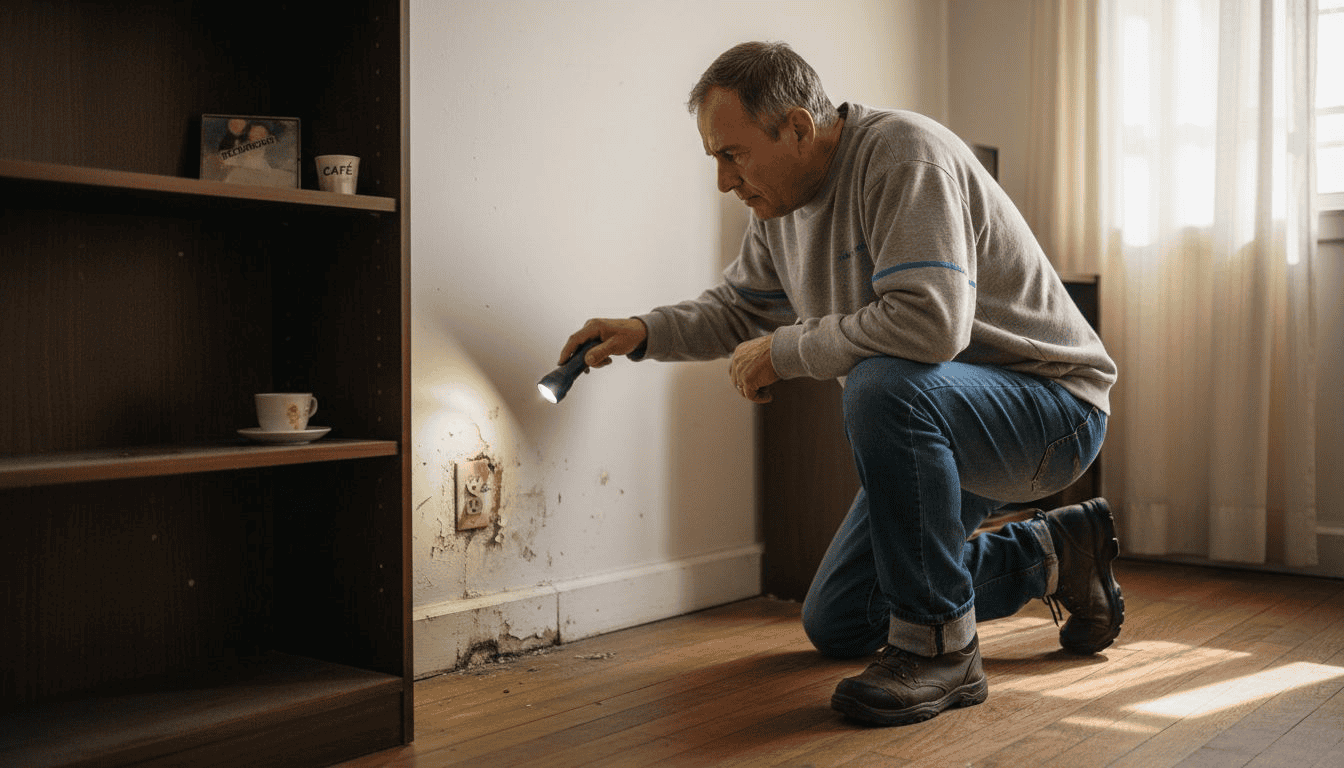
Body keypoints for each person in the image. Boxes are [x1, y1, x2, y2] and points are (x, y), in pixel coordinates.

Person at [557, 41, 1122, 727]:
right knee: (840, 619)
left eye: (732, 155)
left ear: (797, 127)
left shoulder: (903, 156)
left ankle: (943, 650)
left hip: (1053, 410)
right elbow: (739, 308)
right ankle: (1055, 557)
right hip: (951, 417)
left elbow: (930, 324)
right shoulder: (779, 209)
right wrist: (643, 331)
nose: (724, 182)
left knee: (881, 385)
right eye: (715, 159)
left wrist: (788, 350)